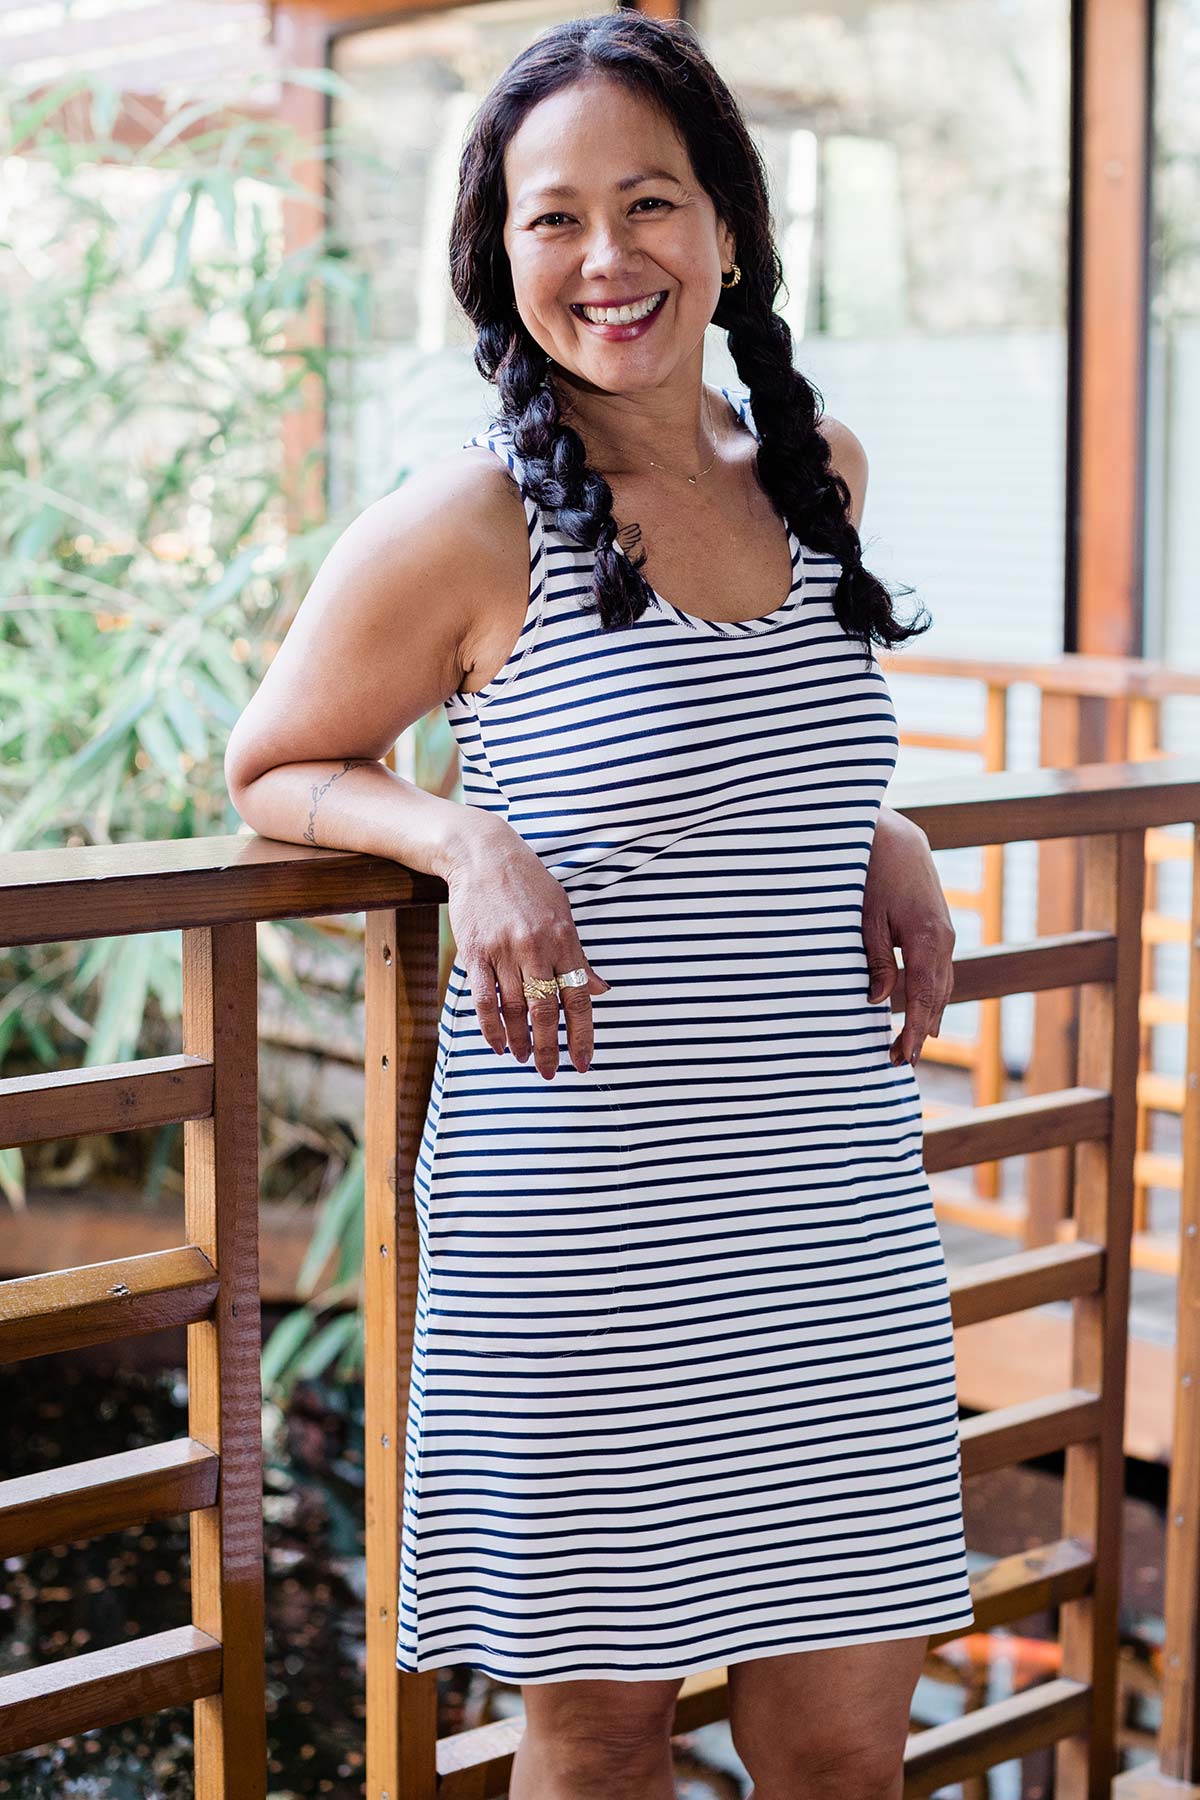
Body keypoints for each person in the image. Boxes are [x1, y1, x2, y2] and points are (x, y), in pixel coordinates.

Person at [224, 12, 973, 1798]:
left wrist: (877, 830)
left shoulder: (817, 473)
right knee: (601, 1735)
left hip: (825, 1199)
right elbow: (269, 771)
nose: (608, 259)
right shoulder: (466, 526)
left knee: (846, 1744)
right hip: (585, 1232)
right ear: (497, 255)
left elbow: (769, 736)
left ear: (729, 230)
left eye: (652, 203)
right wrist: (463, 841)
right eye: (553, 219)